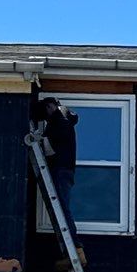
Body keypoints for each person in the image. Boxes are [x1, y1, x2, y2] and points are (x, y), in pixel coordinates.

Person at [37, 96, 78, 225]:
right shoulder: (65, 120)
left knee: (62, 207)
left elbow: (50, 150)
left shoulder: (58, 123)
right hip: (66, 169)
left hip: (60, 169)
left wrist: (39, 139)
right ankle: (71, 235)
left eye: (45, 109)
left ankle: (71, 236)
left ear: (50, 106)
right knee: (62, 205)